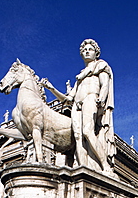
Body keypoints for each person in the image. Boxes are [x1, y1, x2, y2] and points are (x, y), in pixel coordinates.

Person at [41, 39, 116, 172]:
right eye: (84, 50)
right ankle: (83, 167)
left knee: (87, 131)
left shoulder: (101, 66)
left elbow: (105, 85)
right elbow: (68, 99)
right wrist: (52, 89)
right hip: (77, 104)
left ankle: (105, 166)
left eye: (90, 49)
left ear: (96, 53)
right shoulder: (80, 77)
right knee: (78, 138)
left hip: (91, 98)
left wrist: (102, 98)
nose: (87, 51)